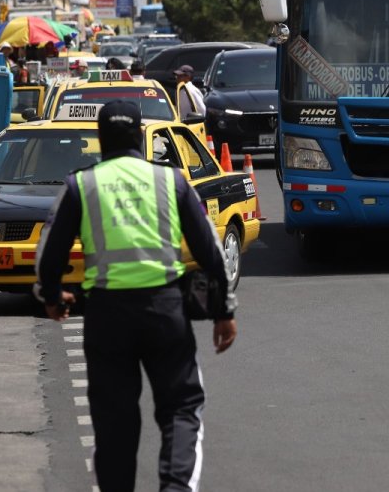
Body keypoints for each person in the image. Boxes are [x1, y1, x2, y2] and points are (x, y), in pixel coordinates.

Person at [34, 100, 237, 492]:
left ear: (100, 139)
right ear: (140, 135)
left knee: (113, 421)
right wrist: (223, 311)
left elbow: (49, 253)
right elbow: (211, 250)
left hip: (107, 317)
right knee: (181, 407)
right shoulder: (171, 181)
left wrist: (52, 296)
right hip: (166, 311)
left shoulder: (81, 184)